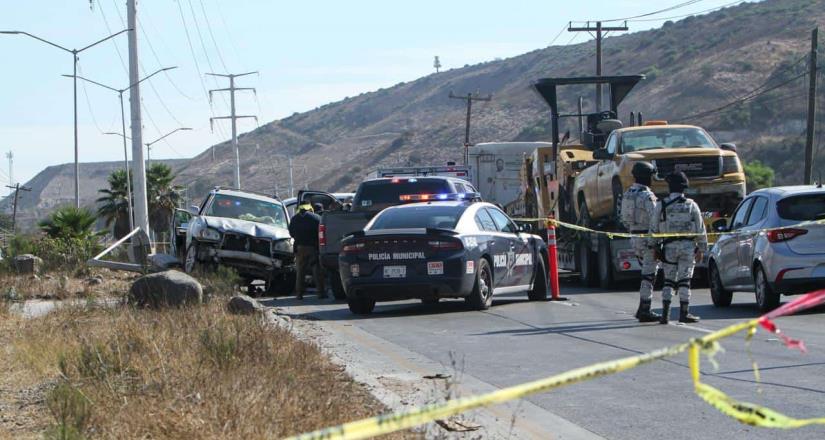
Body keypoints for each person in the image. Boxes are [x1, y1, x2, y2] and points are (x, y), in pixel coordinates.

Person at [649, 171, 707, 324]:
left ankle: (665, 315)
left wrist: (654, 247)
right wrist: (701, 248)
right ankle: (684, 313)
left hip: (668, 248)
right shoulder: (691, 205)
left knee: (668, 280)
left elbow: (654, 228)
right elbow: (701, 228)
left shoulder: (661, 205)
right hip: (688, 247)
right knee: (685, 280)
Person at [621, 162, 660, 323]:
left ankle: (642, 308)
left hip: (634, 236)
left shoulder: (627, 194)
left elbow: (623, 219)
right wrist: (657, 241)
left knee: (646, 272)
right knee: (649, 275)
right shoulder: (647, 195)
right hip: (647, 238)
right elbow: (655, 219)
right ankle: (645, 309)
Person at [288, 203, 327, 299]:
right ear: (310, 208)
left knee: (300, 271)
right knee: (317, 270)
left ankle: (299, 294)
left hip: (300, 248)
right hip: (313, 248)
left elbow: (291, 233)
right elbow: (321, 233)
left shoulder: (294, 219)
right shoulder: (316, 218)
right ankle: (321, 293)